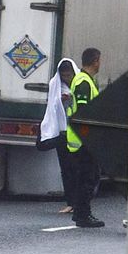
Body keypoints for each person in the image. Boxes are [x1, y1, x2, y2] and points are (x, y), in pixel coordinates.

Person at [65, 48, 105, 228]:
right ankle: (83, 215)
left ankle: (81, 213)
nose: (100, 64)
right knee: (88, 178)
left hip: (82, 139)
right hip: (83, 140)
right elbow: (83, 114)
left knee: (88, 177)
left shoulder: (86, 80)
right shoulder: (83, 82)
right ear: (95, 61)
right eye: (99, 60)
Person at [39, 58, 80, 214]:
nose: (66, 79)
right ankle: (71, 201)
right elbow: (52, 106)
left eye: (68, 75)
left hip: (77, 134)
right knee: (66, 168)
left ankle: (79, 202)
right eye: (63, 76)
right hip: (62, 133)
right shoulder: (55, 85)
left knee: (78, 169)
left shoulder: (79, 84)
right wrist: (60, 101)